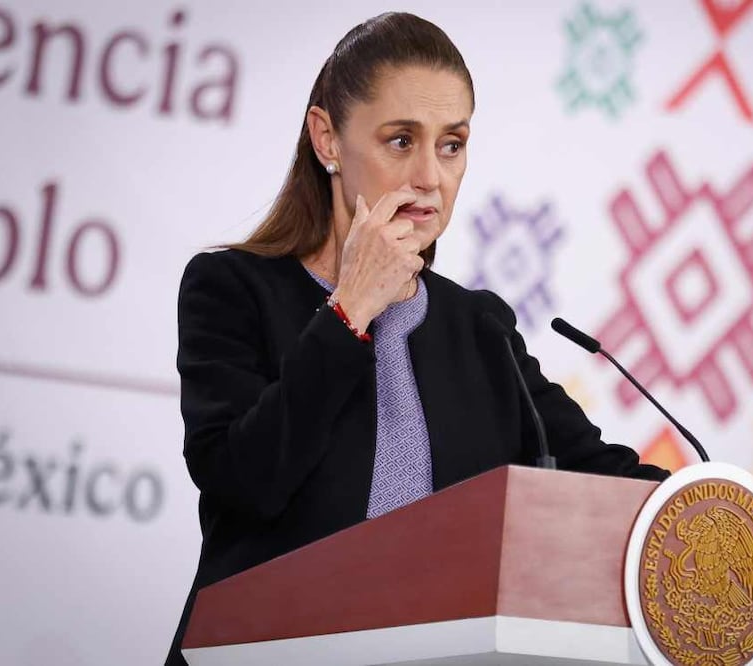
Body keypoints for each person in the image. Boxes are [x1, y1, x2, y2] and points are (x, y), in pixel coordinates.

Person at [164, 12, 668, 665]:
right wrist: (349, 312)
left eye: (451, 144)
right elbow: (243, 482)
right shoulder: (232, 288)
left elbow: (601, 481)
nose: (430, 175)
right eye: (401, 141)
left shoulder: (480, 327)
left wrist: (725, 510)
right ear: (328, 140)